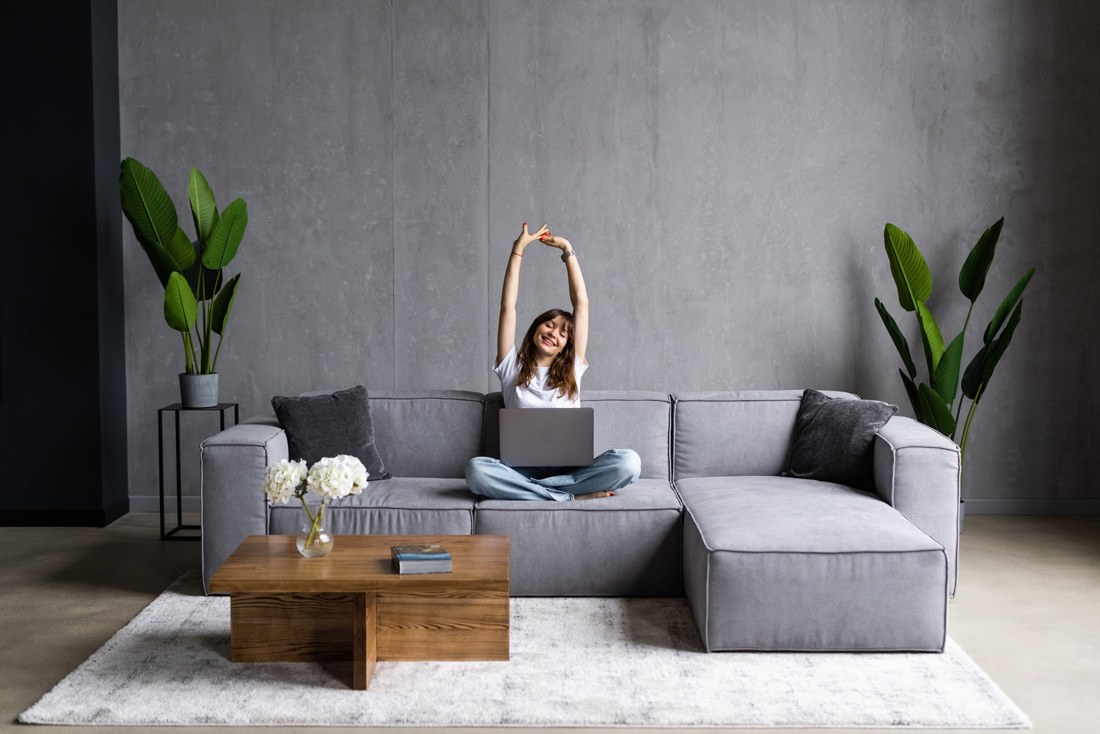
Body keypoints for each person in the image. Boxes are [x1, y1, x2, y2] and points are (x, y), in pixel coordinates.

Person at [465, 223, 641, 501]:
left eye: (563, 334)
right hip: (522, 471)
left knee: (629, 462)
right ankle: (568, 496)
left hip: (571, 469)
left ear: (566, 346)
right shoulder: (511, 366)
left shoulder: (573, 368)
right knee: (477, 471)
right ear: (536, 327)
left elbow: (581, 304)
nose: (553, 334)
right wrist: (518, 250)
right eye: (549, 325)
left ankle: (540, 494)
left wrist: (567, 250)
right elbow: (507, 306)